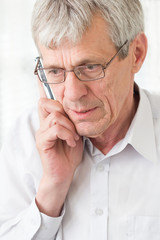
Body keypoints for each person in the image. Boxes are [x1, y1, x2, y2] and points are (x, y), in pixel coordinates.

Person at [0, 0, 160, 239]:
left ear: (136, 54)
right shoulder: (23, 138)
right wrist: (52, 187)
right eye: (54, 71)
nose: (73, 94)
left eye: (91, 67)